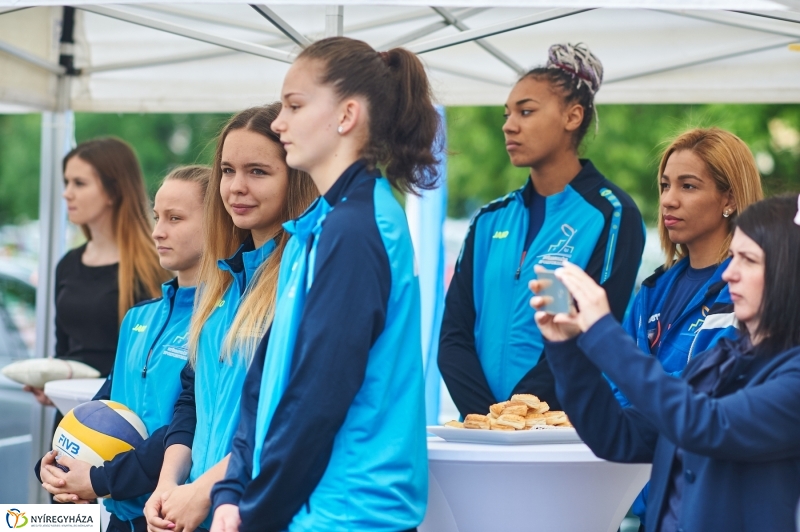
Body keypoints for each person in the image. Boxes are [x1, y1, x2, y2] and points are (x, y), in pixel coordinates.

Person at [209, 36, 438, 532]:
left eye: (294, 105)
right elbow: (264, 378)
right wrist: (232, 488)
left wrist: (256, 510)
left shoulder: (357, 229)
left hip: (348, 514)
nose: (279, 123)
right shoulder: (317, 225)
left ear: (347, 115)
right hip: (309, 509)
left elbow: (318, 395)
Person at [530, 194, 800, 532]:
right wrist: (566, 346)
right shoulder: (720, 358)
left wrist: (603, 332)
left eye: (748, 259)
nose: (729, 273)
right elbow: (617, 434)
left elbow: (705, 424)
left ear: (789, 271)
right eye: (732, 256)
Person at [438, 43, 644, 418]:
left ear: (573, 116)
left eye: (526, 111)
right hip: (484, 428)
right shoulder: (489, 221)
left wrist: (519, 412)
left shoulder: (611, 214)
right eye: (507, 114)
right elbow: (453, 337)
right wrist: (490, 418)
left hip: (565, 431)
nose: (508, 125)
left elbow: (590, 330)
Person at [144, 105, 317, 532]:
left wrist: (205, 491)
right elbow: (191, 399)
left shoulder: (303, 280)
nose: (237, 186)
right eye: (227, 170)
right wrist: (168, 485)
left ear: (295, 177)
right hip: (198, 509)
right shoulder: (220, 284)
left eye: (257, 171)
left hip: (257, 511)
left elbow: (293, 416)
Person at [36, 166, 210, 532]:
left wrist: (100, 478)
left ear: (217, 225)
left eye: (175, 218)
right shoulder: (137, 318)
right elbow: (102, 407)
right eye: (157, 217)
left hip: (173, 516)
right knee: (22, 524)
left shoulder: (219, 321)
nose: (158, 231)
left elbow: (188, 426)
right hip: (120, 516)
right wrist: (58, 465)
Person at [611, 128, 763, 523]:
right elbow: (616, 379)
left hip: (712, 502)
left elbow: (710, 391)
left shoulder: (748, 290)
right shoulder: (652, 290)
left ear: (729, 199)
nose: (668, 199)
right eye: (665, 185)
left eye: (688, 186)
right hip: (647, 498)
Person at [25, 138, 169, 407]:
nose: (67, 193)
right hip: (71, 415)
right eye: (66, 182)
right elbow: (64, 352)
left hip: (121, 416)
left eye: (79, 183)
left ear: (113, 191)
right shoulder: (68, 264)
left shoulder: (154, 266)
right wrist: (53, 388)